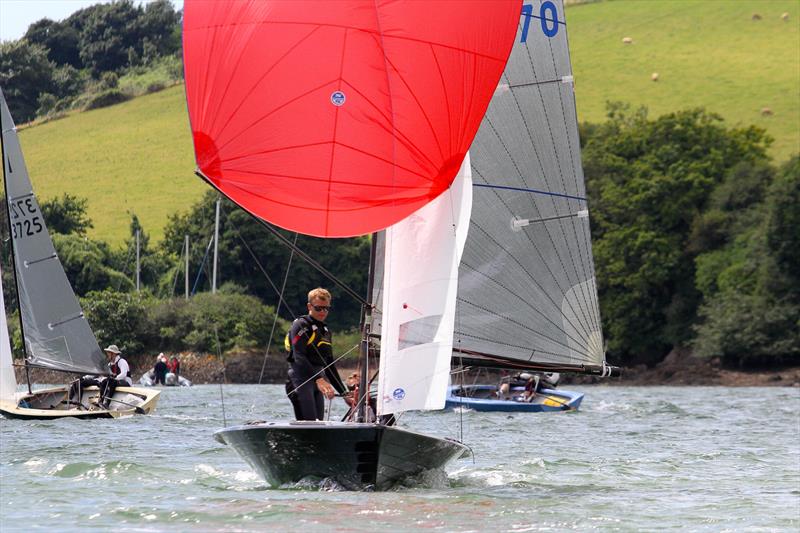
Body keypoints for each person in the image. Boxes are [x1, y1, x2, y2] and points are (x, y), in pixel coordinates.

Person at [285, 288, 349, 421]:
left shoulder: (325, 330)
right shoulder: (300, 325)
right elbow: (298, 356)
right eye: (319, 308)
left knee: (318, 423)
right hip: (300, 380)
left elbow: (329, 364)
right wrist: (318, 379)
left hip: (318, 380)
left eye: (326, 309)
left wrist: (344, 392)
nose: (323, 312)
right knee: (309, 422)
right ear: (309, 306)